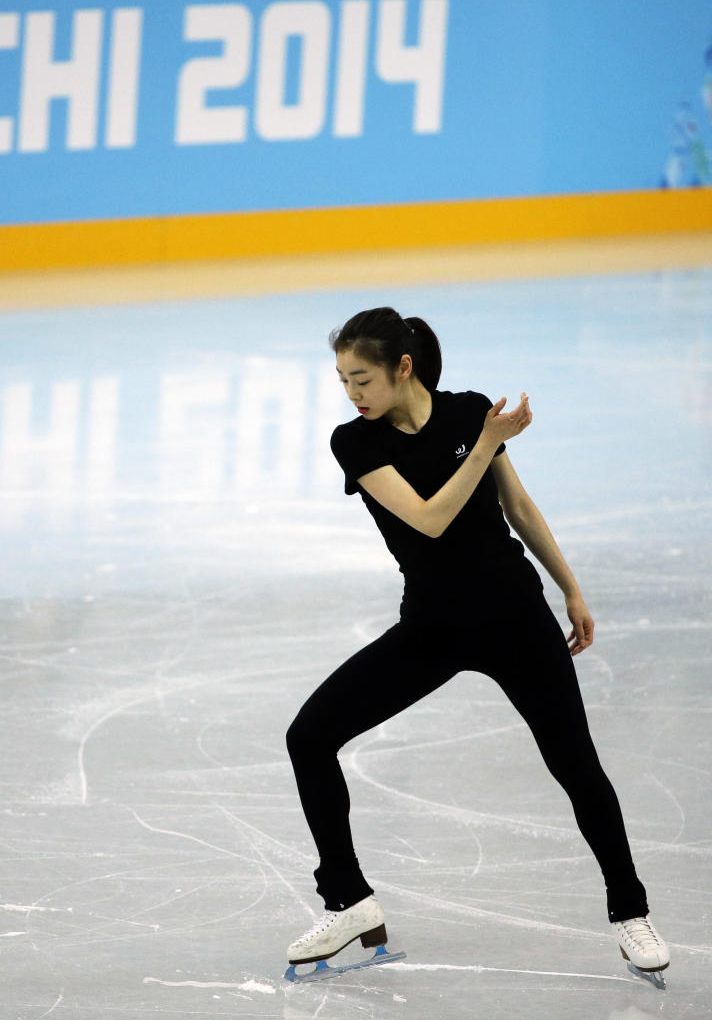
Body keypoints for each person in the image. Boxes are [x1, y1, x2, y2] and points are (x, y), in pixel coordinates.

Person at [285, 306, 670, 981]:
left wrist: (571, 588)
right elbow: (430, 520)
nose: (352, 393)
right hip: (431, 626)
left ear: (402, 368)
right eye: (344, 380)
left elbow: (517, 507)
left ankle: (630, 912)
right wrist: (489, 442)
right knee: (309, 736)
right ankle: (347, 899)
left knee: (577, 765)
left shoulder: (467, 413)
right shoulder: (358, 443)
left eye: (363, 378)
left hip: (516, 616)